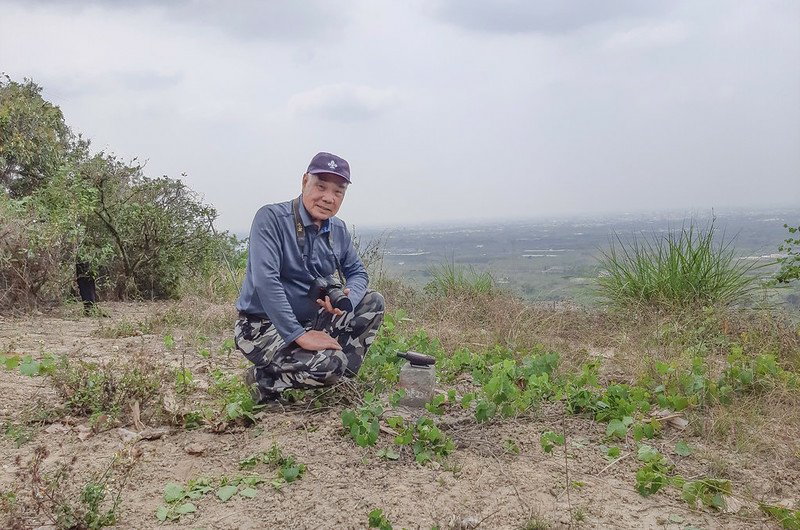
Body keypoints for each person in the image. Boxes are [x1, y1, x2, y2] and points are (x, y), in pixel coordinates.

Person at [234, 152, 385, 404]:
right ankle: (264, 379)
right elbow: (266, 281)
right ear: (305, 181)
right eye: (321, 186)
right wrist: (298, 335)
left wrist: (347, 298)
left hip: (311, 320)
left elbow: (358, 273)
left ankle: (337, 380)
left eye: (338, 192)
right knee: (331, 365)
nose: (328, 198)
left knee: (373, 301)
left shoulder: (338, 230)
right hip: (261, 326)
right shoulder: (271, 219)